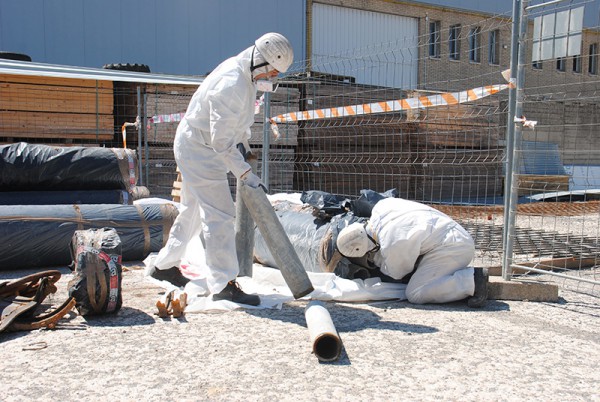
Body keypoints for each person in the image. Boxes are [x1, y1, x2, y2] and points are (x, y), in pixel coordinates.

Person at [147, 33, 294, 306]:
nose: (272, 77)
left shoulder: (246, 74)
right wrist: (245, 173)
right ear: (260, 61)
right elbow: (222, 141)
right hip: (199, 150)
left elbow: (235, 126)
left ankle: (164, 265)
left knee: (192, 210)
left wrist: (246, 149)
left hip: (202, 145)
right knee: (220, 214)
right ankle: (223, 283)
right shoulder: (231, 83)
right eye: (272, 71)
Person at [336, 197, 489, 307]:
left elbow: (398, 273)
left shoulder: (392, 243)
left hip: (453, 248)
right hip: (453, 231)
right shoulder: (381, 207)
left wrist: (376, 260)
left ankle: (472, 281)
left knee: (415, 293)